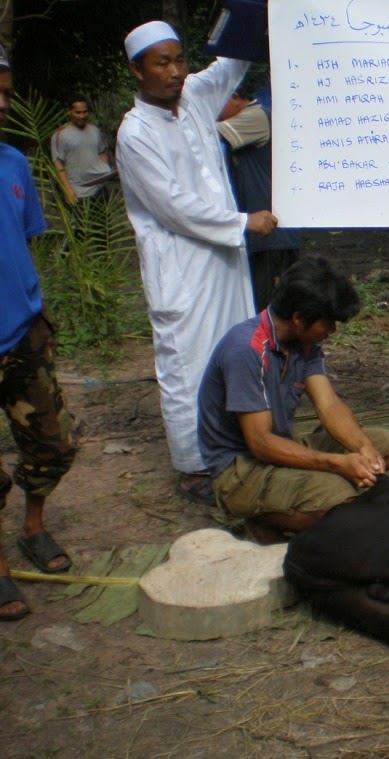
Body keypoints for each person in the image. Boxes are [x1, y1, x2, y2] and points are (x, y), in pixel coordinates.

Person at [116, 21, 278, 505]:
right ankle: (192, 467)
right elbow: (172, 206)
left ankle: (232, 448)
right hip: (182, 267)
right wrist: (242, 223)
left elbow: (231, 63)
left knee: (234, 349)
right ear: (137, 70)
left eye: (179, 59)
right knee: (188, 362)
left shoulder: (195, 99)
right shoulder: (135, 133)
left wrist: (258, 13)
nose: (174, 71)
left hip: (223, 260)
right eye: (161, 62)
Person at [197, 256, 389, 543]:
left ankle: (305, 499)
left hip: (283, 447)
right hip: (240, 470)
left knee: (386, 449)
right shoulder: (246, 350)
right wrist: (335, 464)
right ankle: (262, 518)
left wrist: (364, 448)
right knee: (340, 503)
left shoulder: (304, 343)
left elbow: (328, 405)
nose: (332, 331)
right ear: (298, 318)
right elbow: (260, 442)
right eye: (328, 323)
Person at [0, 43, 79, 620]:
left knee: (54, 444)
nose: (3, 103)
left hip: (23, 333)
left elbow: (21, 243)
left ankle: (32, 528)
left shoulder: (14, 164)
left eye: (6, 91)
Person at [217, 89, 302, 310]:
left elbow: (208, 136)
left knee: (270, 309)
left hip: (272, 235)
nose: (214, 111)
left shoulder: (257, 116)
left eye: (217, 102)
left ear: (234, 96)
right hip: (257, 232)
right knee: (257, 306)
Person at [50, 96, 114, 203]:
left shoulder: (94, 130)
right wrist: (68, 190)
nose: (82, 116)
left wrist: (103, 171)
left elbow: (102, 151)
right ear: (69, 112)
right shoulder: (60, 135)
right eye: (78, 112)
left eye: (85, 112)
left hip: (98, 190)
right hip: (77, 192)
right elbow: (57, 163)